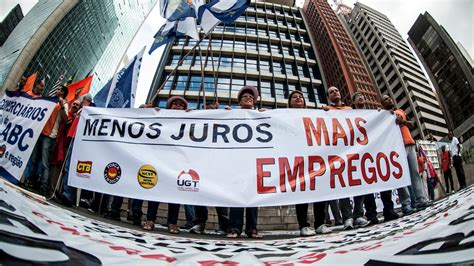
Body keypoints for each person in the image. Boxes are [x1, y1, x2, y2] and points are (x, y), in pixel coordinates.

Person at [132, 97, 188, 234]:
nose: (177, 106)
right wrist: (150, 113)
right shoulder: (160, 117)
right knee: (156, 189)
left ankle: (172, 222)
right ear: (169, 106)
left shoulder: (189, 120)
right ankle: (150, 219)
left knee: (175, 193)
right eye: (175, 104)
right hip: (160, 159)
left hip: (177, 161)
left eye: (181, 105)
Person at [323, 88, 369, 230]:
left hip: (354, 150)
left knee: (359, 181)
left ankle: (358, 215)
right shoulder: (325, 111)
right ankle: (347, 217)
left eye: (336, 90)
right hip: (338, 152)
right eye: (331, 92)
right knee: (343, 185)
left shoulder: (350, 109)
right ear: (328, 97)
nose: (335, 92)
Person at [288, 90, 332, 235]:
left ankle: (320, 223)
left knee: (319, 188)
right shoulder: (284, 116)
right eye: (294, 97)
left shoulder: (313, 115)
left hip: (315, 157)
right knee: (302, 192)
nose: (298, 99)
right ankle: (304, 225)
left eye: (300, 97)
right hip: (297, 159)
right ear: (290, 102)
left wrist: (328, 113)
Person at [381, 95, 431, 211]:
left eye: (389, 98)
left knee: (415, 174)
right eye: (385, 100)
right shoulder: (383, 116)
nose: (389, 99)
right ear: (382, 105)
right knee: (401, 177)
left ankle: (421, 200)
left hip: (409, 144)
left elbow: (412, 125)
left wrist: (402, 121)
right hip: (396, 149)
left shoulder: (400, 111)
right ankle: (406, 205)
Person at [225, 86, 262, 239]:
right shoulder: (231, 114)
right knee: (237, 195)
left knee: (253, 195)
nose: (249, 99)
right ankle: (234, 227)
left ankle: (252, 228)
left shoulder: (259, 115)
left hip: (254, 162)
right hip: (237, 162)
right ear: (239, 101)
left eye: (251, 98)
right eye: (245, 97)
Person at [26, 82, 68, 196]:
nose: (57, 89)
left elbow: (65, 119)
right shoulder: (49, 99)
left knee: (45, 163)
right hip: (40, 133)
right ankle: (30, 181)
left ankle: (43, 187)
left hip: (50, 136)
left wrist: (62, 105)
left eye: (59, 89)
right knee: (34, 159)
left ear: (63, 93)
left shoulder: (64, 103)